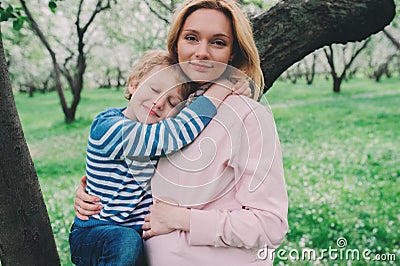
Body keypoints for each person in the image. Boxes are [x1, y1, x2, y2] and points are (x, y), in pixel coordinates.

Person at [74, 0, 288, 265]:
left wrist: (182, 220)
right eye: (191, 38)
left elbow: (270, 225)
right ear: (176, 44)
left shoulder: (247, 117)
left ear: (232, 52)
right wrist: (92, 191)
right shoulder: (168, 109)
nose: (202, 52)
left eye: (218, 42)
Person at [69, 50, 251, 265]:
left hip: (137, 237)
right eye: (154, 89)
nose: (159, 103)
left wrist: (233, 84)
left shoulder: (157, 131)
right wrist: (220, 90)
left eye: (173, 102)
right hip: (96, 233)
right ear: (133, 84)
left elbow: (190, 110)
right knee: (125, 241)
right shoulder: (108, 128)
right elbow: (173, 134)